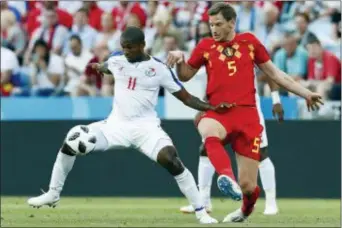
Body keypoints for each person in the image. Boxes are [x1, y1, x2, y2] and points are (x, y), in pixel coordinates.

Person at [26, 26, 239, 224]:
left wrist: (210, 107)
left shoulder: (159, 69)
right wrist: (99, 67)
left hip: (146, 129)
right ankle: (53, 193)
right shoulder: (117, 60)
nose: (125, 51)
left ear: (142, 45)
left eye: (129, 47)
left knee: (171, 160)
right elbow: (109, 67)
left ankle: (201, 212)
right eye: (123, 47)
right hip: (115, 126)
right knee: (72, 140)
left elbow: (186, 97)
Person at [166, 2, 323, 223]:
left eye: (218, 24)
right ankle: (226, 178)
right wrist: (180, 58)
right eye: (211, 24)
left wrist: (306, 93)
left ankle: (245, 210)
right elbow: (185, 76)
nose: (214, 29)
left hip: (248, 115)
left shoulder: (249, 42)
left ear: (232, 22)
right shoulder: (205, 46)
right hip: (218, 111)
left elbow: (276, 74)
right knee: (207, 129)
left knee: (249, 186)